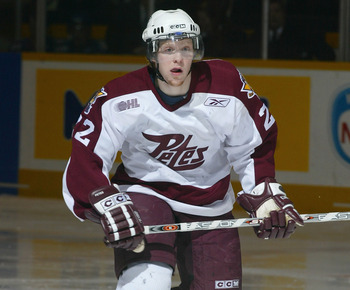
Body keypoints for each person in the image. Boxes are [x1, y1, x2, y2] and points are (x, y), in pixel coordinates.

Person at [62, 9, 304, 290]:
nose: (178, 57)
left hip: (209, 202)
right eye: (168, 49)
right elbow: (85, 159)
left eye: (186, 48)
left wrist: (265, 192)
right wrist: (107, 203)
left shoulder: (227, 85)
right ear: (152, 55)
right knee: (148, 282)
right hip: (145, 193)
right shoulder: (119, 96)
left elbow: (252, 147)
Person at [268, 0, 335, 60]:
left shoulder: (297, 35)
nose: (273, 15)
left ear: (284, 13)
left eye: (277, 11)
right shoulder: (260, 37)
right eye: (269, 12)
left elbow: (328, 54)